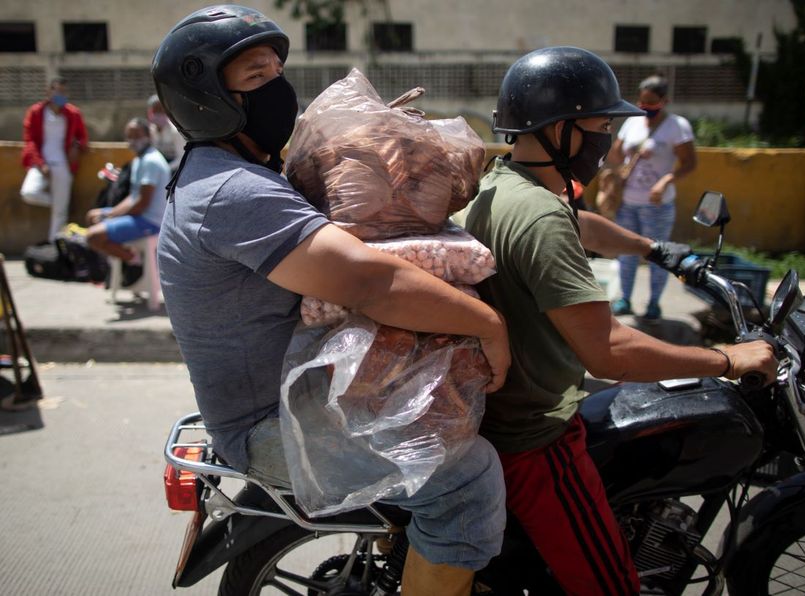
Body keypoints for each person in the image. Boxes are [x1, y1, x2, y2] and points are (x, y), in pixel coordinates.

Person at [150, 6, 510, 595]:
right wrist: (489, 325)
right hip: (274, 425)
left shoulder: (223, 173)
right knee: (469, 481)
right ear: (206, 99)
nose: (278, 90)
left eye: (277, 72)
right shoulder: (233, 192)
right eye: (255, 78)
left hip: (292, 399)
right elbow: (372, 282)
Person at [454, 46, 778, 595]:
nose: (607, 138)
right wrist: (727, 359)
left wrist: (657, 250)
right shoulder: (540, 217)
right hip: (536, 439)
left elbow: (581, 225)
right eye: (602, 123)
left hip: (495, 416)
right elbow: (610, 352)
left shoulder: (502, 185)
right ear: (561, 127)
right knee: (611, 585)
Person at [606, 74, 697, 321]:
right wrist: (621, 166)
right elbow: (615, 155)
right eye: (642, 102)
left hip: (657, 204)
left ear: (664, 101)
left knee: (657, 255)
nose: (645, 108)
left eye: (652, 103)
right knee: (625, 252)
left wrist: (666, 180)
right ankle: (625, 299)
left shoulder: (677, 126)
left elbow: (689, 163)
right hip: (627, 202)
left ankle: (654, 304)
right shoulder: (632, 123)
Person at [85, 118, 169, 263]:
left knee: (92, 237)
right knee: (92, 216)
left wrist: (110, 217)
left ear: (148, 136)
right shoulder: (139, 161)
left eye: (137, 135)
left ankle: (135, 262)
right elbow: (133, 197)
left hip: (151, 222)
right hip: (139, 216)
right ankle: (117, 263)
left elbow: (142, 204)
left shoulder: (151, 161)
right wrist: (110, 213)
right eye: (129, 136)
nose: (133, 140)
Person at [21, 77, 89, 240]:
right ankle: (60, 204)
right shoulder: (36, 112)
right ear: (49, 92)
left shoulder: (73, 113)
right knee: (29, 192)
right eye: (57, 91)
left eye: (64, 92)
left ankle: (56, 247)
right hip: (41, 163)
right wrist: (40, 163)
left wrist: (76, 146)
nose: (61, 95)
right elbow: (30, 140)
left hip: (63, 164)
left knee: (59, 216)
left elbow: (83, 137)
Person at [146, 94, 184, 172]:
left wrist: (165, 169)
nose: (157, 113)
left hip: (174, 170)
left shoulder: (175, 131)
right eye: (155, 110)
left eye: (160, 109)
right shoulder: (150, 131)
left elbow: (181, 158)